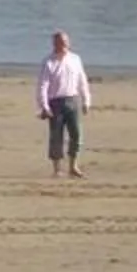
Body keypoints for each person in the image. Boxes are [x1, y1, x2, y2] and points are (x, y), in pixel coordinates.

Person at [37, 29, 90, 179]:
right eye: (60, 42)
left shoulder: (75, 59)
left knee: (76, 134)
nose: (63, 45)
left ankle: (73, 166)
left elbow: (82, 81)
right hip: (55, 102)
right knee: (56, 136)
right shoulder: (49, 62)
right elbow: (43, 85)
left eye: (65, 42)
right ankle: (57, 169)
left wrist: (86, 100)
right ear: (54, 44)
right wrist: (44, 106)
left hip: (72, 100)